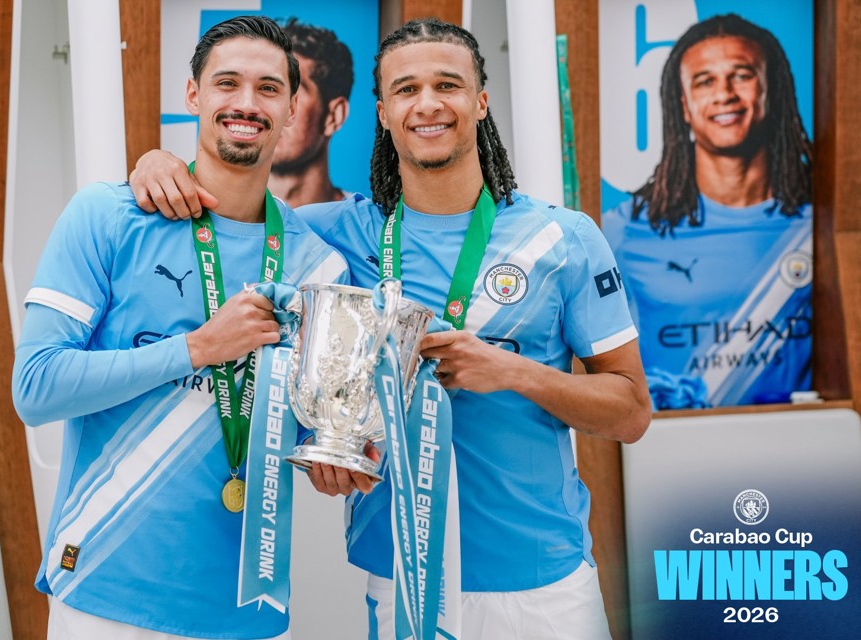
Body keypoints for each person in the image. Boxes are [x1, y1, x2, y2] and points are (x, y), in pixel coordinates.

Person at [130, 17, 652, 640]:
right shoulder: (330, 233)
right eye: (406, 90)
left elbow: (630, 413)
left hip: (539, 584)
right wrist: (155, 163)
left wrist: (510, 370)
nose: (428, 104)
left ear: (480, 101)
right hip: (401, 575)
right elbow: (230, 201)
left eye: (448, 85)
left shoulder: (562, 239)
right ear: (381, 112)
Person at [11, 16, 348, 640]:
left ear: (293, 105)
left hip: (247, 609)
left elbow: (308, 420)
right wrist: (195, 349)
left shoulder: (319, 265)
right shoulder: (108, 215)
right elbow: (35, 388)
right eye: (227, 83)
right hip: (104, 599)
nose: (246, 103)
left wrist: (340, 459)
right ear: (193, 96)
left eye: (269, 88)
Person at [601, 14, 813, 409]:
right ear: (683, 105)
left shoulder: (825, 220)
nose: (724, 94)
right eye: (705, 81)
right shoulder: (623, 231)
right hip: (674, 456)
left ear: (773, 91)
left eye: (742, 75)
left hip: (804, 451)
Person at [269, 18, 353, 207]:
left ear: (334, 116)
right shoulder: (210, 218)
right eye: (268, 89)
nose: (270, 109)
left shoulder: (368, 228)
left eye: (293, 91)